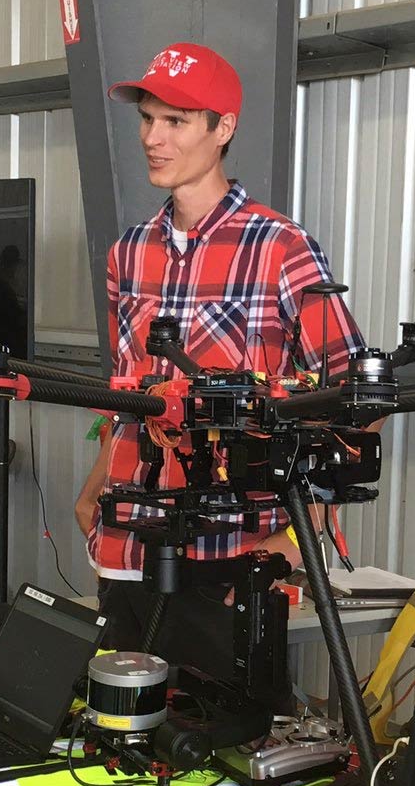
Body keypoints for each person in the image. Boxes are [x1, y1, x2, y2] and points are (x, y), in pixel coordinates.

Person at [73, 42, 364, 677]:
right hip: (127, 540)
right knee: (120, 730)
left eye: (175, 121)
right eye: (147, 119)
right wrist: (95, 486)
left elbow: (351, 397)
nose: (154, 137)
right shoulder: (129, 253)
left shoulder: (280, 248)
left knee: (221, 745)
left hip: (232, 548)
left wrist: (298, 534)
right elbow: (131, 389)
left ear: (222, 127)